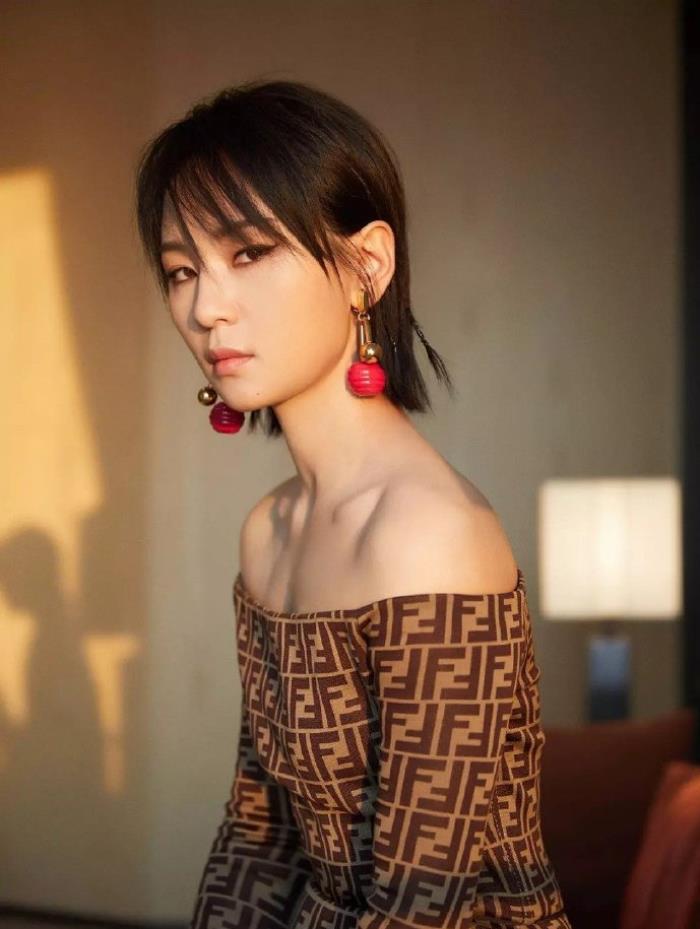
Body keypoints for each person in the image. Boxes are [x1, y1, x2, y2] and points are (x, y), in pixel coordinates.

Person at [134, 78, 571, 929]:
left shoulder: (431, 535)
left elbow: (422, 901)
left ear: (367, 265)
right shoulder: (269, 531)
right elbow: (258, 837)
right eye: (182, 270)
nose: (206, 307)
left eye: (249, 253)